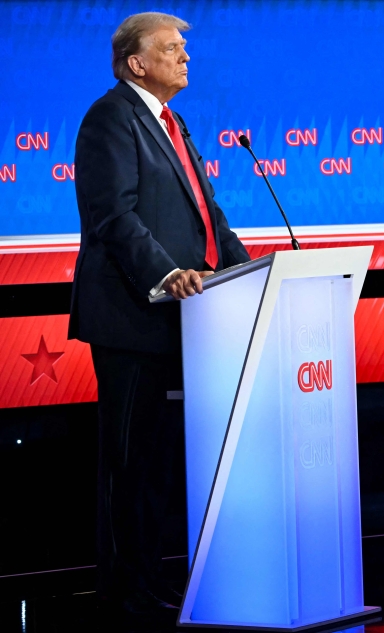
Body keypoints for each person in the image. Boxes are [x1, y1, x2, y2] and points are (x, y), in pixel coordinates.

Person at [69, 12, 251, 615]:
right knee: (129, 462)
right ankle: (123, 593)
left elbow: (208, 215)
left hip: (183, 320)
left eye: (185, 48)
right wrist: (165, 272)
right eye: (171, 48)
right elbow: (113, 217)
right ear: (137, 63)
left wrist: (252, 275)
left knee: (158, 465)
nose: (185, 56)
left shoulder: (173, 123)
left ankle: (150, 581)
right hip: (131, 317)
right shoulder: (110, 118)